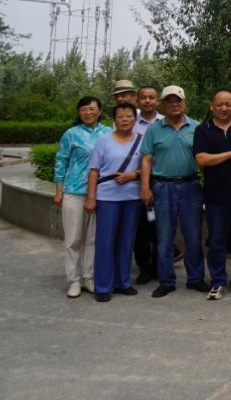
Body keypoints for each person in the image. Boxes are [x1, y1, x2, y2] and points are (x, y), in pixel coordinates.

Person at [140, 86, 207, 298]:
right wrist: (145, 187)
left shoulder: (196, 127)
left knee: (193, 235)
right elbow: (146, 159)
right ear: (163, 105)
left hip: (190, 186)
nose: (174, 104)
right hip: (162, 187)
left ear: (184, 103)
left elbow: (204, 158)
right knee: (164, 237)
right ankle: (166, 281)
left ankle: (195, 278)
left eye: (177, 100)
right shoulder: (154, 129)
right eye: (169, 101)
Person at [193, 89, 231, 300]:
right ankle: (218, 281)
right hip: (215, 196)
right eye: (220, 104)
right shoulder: (203, 130)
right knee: (217, 241)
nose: (224, 108)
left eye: (228, 104)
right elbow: (201, 159)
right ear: (212, 106)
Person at [85, 103, 142, 302]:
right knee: (105, 242)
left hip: (132, 197)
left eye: (129, 116)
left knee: (126, 241)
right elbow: (94, 170)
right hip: (107, 197)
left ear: (135, 119)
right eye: (120, 116)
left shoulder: (141, 140)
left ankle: (122, 282)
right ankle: (103, 286)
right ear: (114, 120)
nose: (125, 119)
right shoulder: (104, 140)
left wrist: (133, 175)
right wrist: (91, 197)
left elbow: (148, 166)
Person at [54, 97, 111, 298]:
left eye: (92, 109)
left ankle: (88, 277)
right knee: (73, 239)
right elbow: (61, 161)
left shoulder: (108, 132)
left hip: (101, 192)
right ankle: (74, 280)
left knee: (93, 239)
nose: (88, 112)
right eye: (84, 109)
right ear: (79, 112)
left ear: (99, 111)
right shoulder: (71, 134)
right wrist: (59, 191)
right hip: (74, 191)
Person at [132, 84, 162, 284]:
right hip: (136, 181)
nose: (148, 101)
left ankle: (159, 266)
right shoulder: (130, 122)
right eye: (144, 97)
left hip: (160, 179)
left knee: (160, 226)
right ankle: (144, 267)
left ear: (157, 100)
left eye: (151, 97)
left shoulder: (165, 121)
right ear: (137, 101)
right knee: (141, 228)